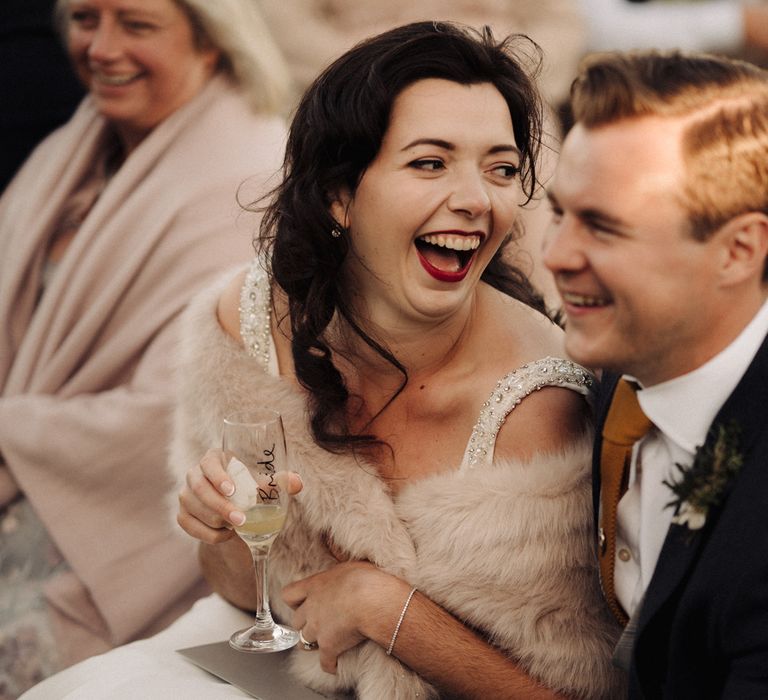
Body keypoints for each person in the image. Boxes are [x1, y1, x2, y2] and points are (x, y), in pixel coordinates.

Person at [19, 21, 624, 700]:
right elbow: (249, 595)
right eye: (430, 162)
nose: (476, 199)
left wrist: (384, 608)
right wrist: (224, 532)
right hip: (264, 663)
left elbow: (568, 691)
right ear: (340, 193)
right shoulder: (253, 323)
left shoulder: (542, 407)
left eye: (502, 169)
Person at [0, 0, 289, 694]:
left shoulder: (249, 177)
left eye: (136, 24)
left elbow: (177, 412)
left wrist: (9, 426)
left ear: (212, 38)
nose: (100, 47)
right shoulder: (74, 144)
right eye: (83, 17)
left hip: (103, 529)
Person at [543, 50, 768, 697]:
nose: (555, 255)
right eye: (561, 213)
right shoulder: (625, 361)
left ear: (738, 250)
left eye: (604, 227)